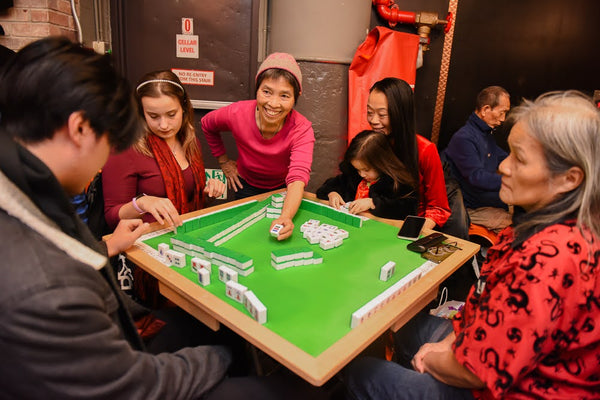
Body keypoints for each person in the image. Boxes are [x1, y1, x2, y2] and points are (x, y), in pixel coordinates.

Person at [0, 36, 234, 399]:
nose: (106, 157)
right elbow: (136, 386)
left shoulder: (28, 192)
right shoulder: (46, 289)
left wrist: (108, 243)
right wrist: (228, 355)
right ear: (80, 129)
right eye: (110, 139)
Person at [344, 90, 600, 399]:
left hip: (507, 389)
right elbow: (482, 309)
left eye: (519, 159)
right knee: (401, 324)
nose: (504, 167)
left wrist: (435, 358)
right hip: (475, 345)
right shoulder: (532, 227)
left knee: (362, 372)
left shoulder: (550, 259)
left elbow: (477, 371)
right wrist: (445, 346)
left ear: (569, 179)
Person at [201, 52, 315, 241]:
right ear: (257, 89)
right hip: (244, 185)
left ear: (296, 97)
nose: (273, 103)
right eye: (267, 92)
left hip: (282, 190)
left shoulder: (302, 129)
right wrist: (224, 162)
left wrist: (285, 217)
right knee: (243, 238)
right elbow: (207, 124)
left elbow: (297, 178)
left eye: (285, 95)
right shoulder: (236, 113)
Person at [103, 70, 225, 231]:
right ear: (141, 113)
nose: (164, 125)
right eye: (153, 116)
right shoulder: (125, 148)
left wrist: (209, 192)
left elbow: (192, 201)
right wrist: (141, 204)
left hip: (186, 234)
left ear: (183, 108)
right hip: (145, 241)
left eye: (171, 114)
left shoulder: (190, 142)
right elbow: (111, 217)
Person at [367, 77, 450, 232]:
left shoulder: (425, 150)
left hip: (406, 228)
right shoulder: (369, 143)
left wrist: (413, 231)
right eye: (369, 112)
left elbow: (439, 208)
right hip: (372, 220)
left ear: (401, 113)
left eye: (382, 114)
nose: (373, 120)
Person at [444, 86, 512, 231]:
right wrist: (512, 182)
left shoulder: (486, 135)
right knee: (516, 227)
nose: (503, 119)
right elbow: (477, 178)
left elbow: (505, 159)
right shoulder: (464, 137)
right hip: (470, 206)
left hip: (483, 200)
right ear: (485, 109)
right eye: (502, 112)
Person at [316, 130, 417, 220]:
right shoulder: (352, 176)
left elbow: (407, 209)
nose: (362, 174)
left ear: (381, 164)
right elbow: (328, 186)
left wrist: (373, 203)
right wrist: (332, 193)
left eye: (366, 170)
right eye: (357, 169)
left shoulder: (396, 183)